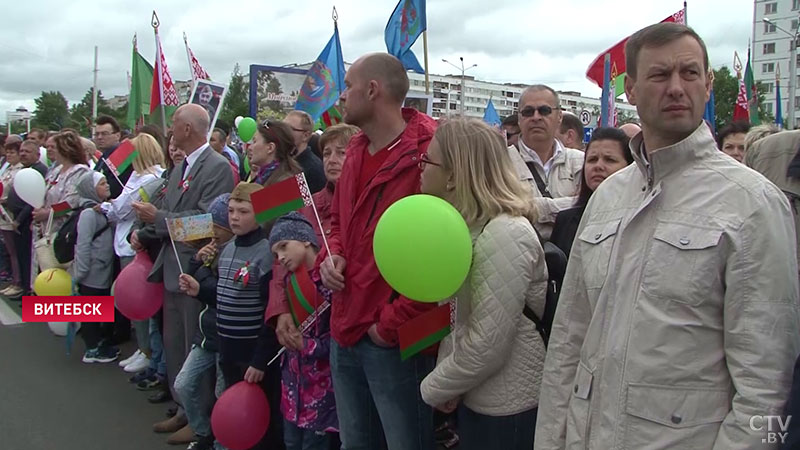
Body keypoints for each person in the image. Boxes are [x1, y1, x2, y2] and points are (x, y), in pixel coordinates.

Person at [535, 22, 800, 449]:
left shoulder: (753, 203)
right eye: (660, 75)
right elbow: (568, 342)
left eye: (690, 73)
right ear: (632, 91)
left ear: (709, 84)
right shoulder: (608, 199)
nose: (676, 87)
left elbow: (766, 382)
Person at [319, 52, 437, 450]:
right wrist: (330, 257)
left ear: (373, 90)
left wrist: (389, 325)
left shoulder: (431, 152)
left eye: (348, 87)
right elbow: (338, 222)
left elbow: (440, 256)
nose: (341, 97)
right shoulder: (354, 151)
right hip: (346, 326)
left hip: (393, 338)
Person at [417, 118, 548, 450]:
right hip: (480, 397)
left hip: (508, 409)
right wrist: (452, 383)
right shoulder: (467, 228)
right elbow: (458, 321)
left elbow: (487, 345)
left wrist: (433, 388)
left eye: (427, 160)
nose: (420, 168)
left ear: (454, 176)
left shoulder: (503, 233)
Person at [130, 104, 234, 442]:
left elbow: (207, 224)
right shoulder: (180, 167)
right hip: (171, 265)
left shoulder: (217, 167)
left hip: (194, 266)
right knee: (175, 341)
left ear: (188, 128)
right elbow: (171, 212)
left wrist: (156, 219)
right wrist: (147, 227)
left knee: (194, 343)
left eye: (174, 123)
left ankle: (199, 414)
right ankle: (183, 407)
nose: (170, 129)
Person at [207, 182, 283, 450]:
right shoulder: (227, 250)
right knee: (235, 414)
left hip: (253, 353)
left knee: (260, 420)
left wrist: (260, 359)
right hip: (228, 349)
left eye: (243, 211)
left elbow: (270, 313)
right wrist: (198, 288)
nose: (235, 217)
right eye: (231, 211)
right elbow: (224, 297)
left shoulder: (265, 252)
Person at [269, 123, 359, 339]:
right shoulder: (306, 204)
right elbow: (279, 259)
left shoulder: (369, 205)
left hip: (352, 325)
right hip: (309, 328)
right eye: (327, 153)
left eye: (341, 152)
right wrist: (280, 310)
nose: (332, 159)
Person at [269, 212, 338, 450]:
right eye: (276, 254)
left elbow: (337, 340)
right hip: (292, 391)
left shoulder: (329, 282)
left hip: (320, 395)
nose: (281, 257)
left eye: (284, 247)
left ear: (306, 240)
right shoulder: (289, 282)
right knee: (291, 443)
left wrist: (306, 346)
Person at [100, 133, 166, 375]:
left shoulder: (150, 179)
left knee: (141, 302)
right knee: (130, 300)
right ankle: (144, 349)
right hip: (128, 240)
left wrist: (106, 205)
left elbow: (123, 209)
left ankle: (150, 353)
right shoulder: (136, 176)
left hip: (137, 246)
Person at [174, 193, 233, 450]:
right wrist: (197, 260)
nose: (213, 233)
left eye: (218, 228)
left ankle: (219, 442)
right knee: (183, 383)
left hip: (224, 337)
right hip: (205, 335)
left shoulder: (234, 253)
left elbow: (215, 290)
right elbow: (194, 279)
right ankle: (203, 430)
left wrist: (200, 276)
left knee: (222, 395)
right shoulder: (210, 250)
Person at [511, 84, 585, 239]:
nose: (536, 117)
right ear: (519, 119)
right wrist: (572, 204)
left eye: (544, 111)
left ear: (559, 117)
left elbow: (590, 207)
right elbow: (504, 210)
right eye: (528, 112)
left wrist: (533, 208)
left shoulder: (581, 162)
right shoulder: (500, 162)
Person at [550, 128, 633, 258]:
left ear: (629, 167)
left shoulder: (638, 222)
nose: (598, 166)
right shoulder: (565, 220)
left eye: (609, 159)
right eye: (592, 159)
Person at [32, 130, 91, 270]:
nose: (50, 151)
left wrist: (47, 213)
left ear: (65, 149)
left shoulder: (80, 172)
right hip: (44, 229)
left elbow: (70, 203)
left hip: (63, 231)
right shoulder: (55, 170)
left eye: (54, 147)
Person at [73, 172, 116, 362]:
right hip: (92, 272)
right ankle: (92, 350)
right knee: (91, 311)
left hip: (102, 270)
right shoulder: (88, 214)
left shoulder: (103, 210)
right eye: (102, 183)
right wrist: (81, 273)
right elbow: (82, 246)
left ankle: (99, 345)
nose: (107, 186)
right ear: (91, 190)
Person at [5, 140, 47, 297]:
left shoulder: (39, 171)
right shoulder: (24, 169)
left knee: (29, 258)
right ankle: (23, 287)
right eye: (21, 151)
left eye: (27, 152)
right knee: (21, 256)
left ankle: (29, 291)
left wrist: (19, 220)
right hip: (17, 218)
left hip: (28, 221)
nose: (23, 154)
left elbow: (31, 202)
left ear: (37, 154)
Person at [0, 140, 24, 296]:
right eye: (7, 152)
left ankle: (18, 282)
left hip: (12, 215)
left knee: (14, 251)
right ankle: (15, 280)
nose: (9, 155)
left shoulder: (20, 171)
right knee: (9, 250)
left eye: (12, 152)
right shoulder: (7, 169)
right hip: (2, 214)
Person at [249, 120, 303, 186]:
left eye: (254, 142)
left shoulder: (288, 184)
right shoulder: (264, 176)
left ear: (270, 148)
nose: (250, 148)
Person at [284, 111, 326, 193]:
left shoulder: (311, 169)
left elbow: (284, 202)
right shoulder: (283, 160)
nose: (283, 132)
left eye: (289, 129)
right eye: (282, 127)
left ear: (305, 136)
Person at [93, 115, 131, 198]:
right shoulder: (104, 156)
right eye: (97, 134)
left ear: (117, 135)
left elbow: (114, 187)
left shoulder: (123, 154)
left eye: (104, 134)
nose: (99, 137)